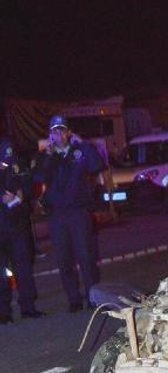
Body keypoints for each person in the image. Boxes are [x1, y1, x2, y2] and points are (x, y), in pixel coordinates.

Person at [33, 115, 105, 312]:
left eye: (61, 130)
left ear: (68, 132)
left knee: (86, 258)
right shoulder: (47, 156)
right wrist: (47, 155)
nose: (57, 134)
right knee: (64, 260)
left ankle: (93, 298)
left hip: (78, 212)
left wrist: (84, 144)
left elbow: (97, 165)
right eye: (53, 131)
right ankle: (74, 299)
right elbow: (38, 177)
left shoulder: (79, 152)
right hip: (57, 215)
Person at [0, 138, 42, 323]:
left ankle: (28, 307)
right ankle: (3, 313)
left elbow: (29, 185)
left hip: (18, 224)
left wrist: (20, 196)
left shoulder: (17, 159)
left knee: (24, 267)